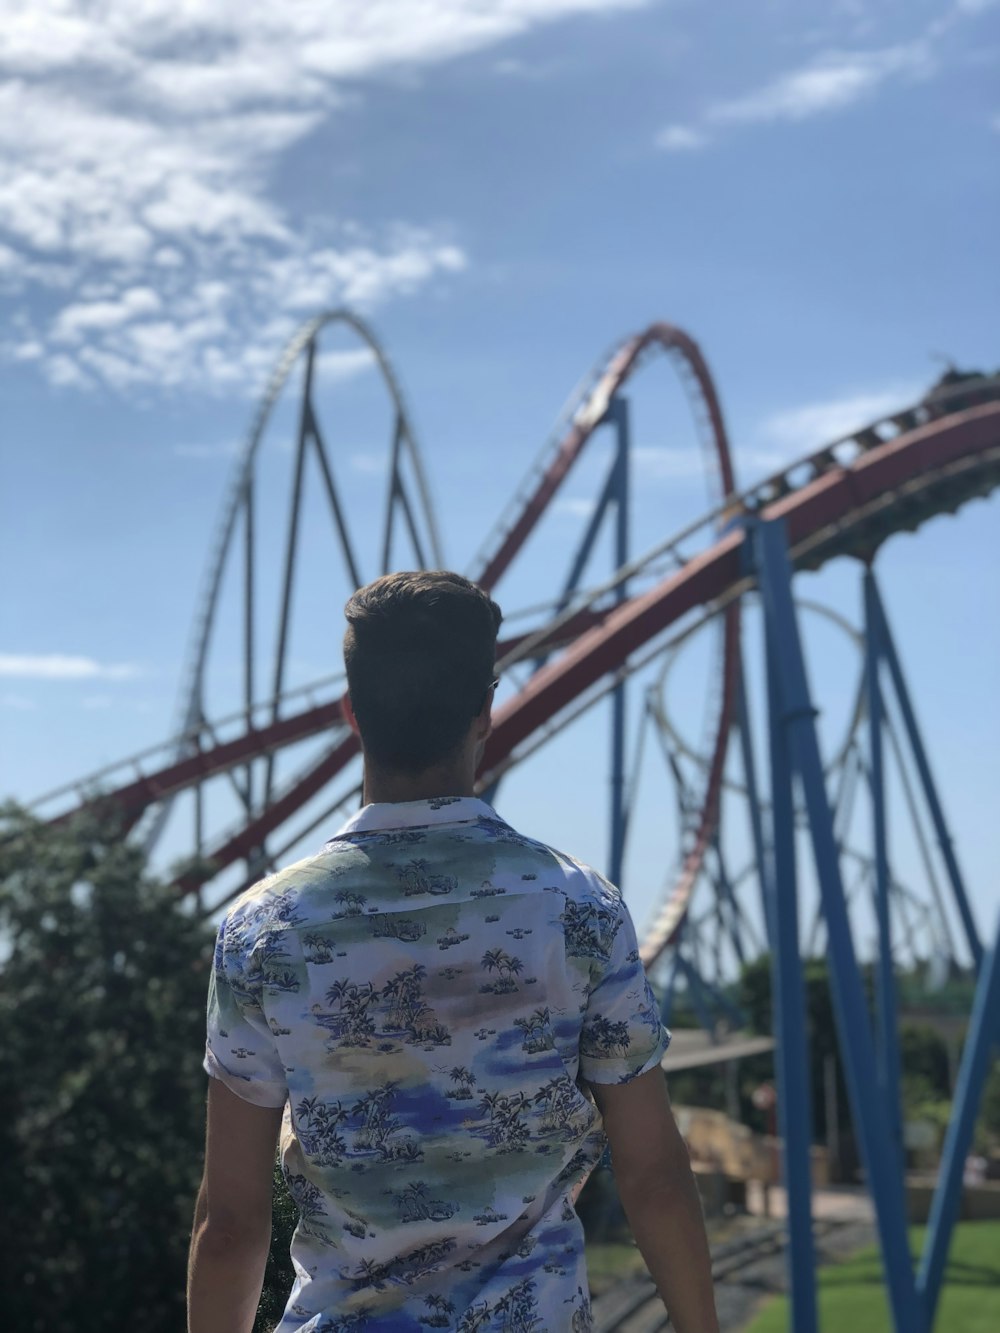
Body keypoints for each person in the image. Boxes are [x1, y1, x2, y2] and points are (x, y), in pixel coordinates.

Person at [188, 570, 719, 1333]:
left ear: (350, 713)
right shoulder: (579, 907)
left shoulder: (262, 929)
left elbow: (232, 1220)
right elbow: (654, 1172)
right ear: (486, 712)